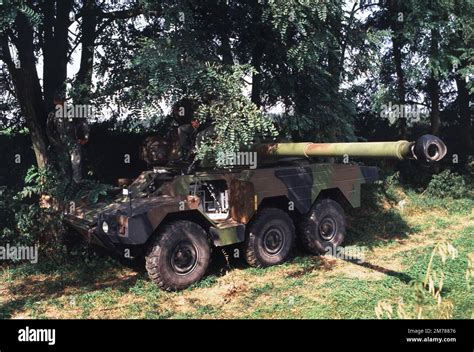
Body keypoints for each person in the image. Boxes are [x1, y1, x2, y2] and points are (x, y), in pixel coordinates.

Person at [46, 91, 89, 183]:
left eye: (61, 100)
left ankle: (77, 184)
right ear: (54, 102)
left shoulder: (72, 111)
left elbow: (83, 123)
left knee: (76, 163)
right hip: (60, 142)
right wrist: (54, 142)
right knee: (63, 164)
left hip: (73, 140)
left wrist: (85, 137)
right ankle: (65, 186)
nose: (59, 103)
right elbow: (49, 130)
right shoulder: (52, 114)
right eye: (57, 101)